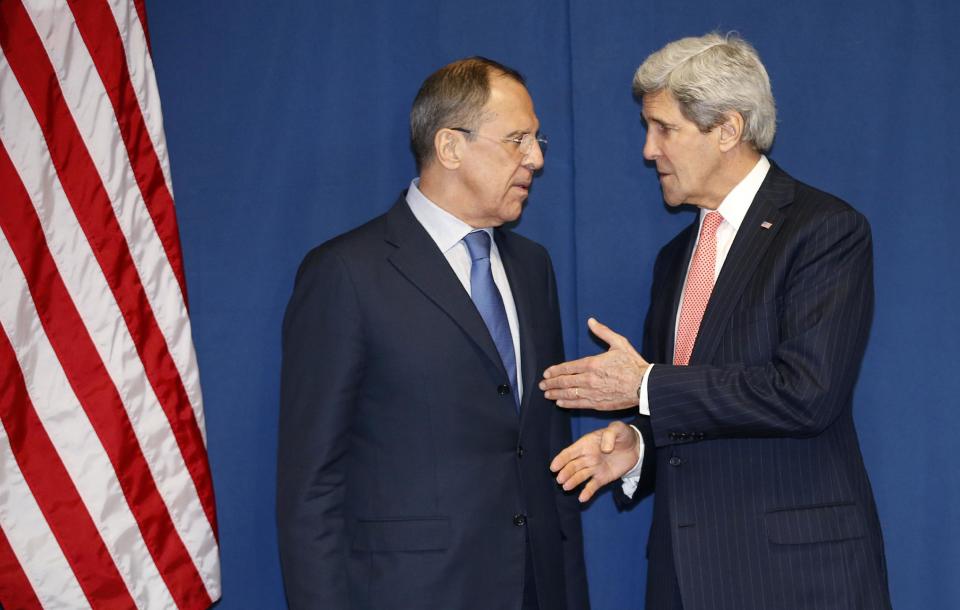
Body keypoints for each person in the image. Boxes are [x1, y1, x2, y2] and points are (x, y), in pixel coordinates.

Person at [541, 33, 891, 610]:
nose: (649, 150)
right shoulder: (675, 258)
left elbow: (807, 394)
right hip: (684, 577)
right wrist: (636, 446)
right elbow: (690, 409)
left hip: (797, 577)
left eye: (665, 128)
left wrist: (644, 385)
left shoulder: (823, 230)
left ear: (727, 129)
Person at [277, 57, 590, 610]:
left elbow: (545, 447)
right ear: (450, 147)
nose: (536, 159)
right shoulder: (346, 273)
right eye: (517, 139)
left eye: (536, 139)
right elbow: (312, 485)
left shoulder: (532, 266)